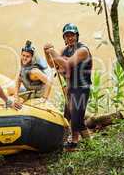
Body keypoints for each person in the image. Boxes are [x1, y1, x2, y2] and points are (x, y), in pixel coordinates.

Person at [44, 23, 92, 151]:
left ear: (77, 36)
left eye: (72, 35)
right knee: (69, 115)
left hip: (81, 88)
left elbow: (66, 65)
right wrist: (46, 52)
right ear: (64, 38)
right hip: (70, 88)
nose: (70, 38)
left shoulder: (83, 50)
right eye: (67, 36)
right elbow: (52, 64)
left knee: (77, 118)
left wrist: (53, 52)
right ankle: (79, 142)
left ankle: (83, 144)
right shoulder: (65, 50)